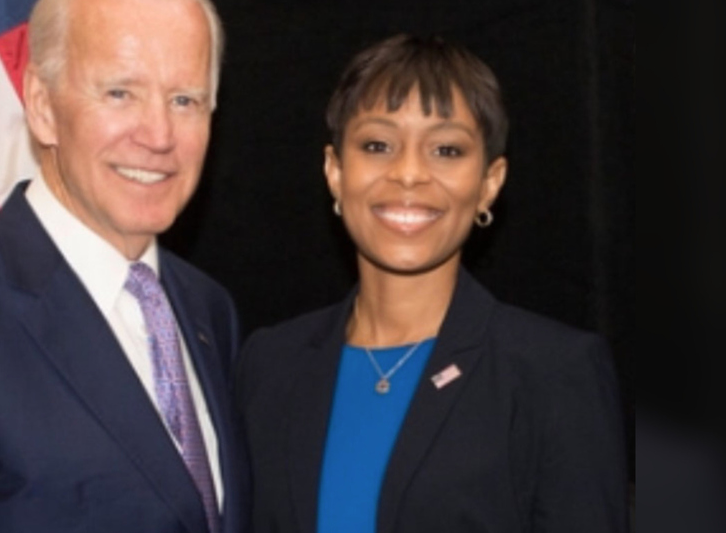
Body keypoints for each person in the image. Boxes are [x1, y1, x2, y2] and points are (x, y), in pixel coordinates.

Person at [0, 0, 248, 533]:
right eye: (119, 94)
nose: (159, 135)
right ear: (41, 107)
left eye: (185, 100)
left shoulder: (209, 310)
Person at [236, 34, 628, 532]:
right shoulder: (267, 366)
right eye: (377, 145)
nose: (408, 174)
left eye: (446, 149)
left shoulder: (554, 373)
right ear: (335, 171)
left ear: (490, 182)